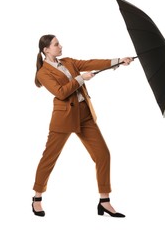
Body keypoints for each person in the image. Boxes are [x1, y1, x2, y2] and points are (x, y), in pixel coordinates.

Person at [32, 34, 133, 217]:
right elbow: (60, 92)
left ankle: (104, 201)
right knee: (49, 158)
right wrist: (80, 79)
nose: (60, 46)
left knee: (103, 155)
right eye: (56, 44)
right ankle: (37, 198)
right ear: (46, 50)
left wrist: (119, 60)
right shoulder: (43, 73)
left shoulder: (68, 62)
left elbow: (91, 62)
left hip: (84, 115)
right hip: (63, 119)